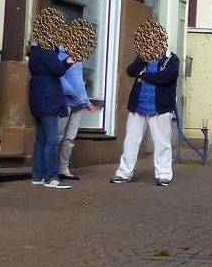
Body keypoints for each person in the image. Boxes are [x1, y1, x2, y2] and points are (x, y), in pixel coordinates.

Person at [112, 20, 179, 186]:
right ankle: (124, 173)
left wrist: (145, 76)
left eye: (154, 39)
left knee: (162, 142)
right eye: (148, 39)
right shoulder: (142, 57)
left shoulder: (171, 59)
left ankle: (163, 174)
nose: (151, 42)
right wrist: (142, 61)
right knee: (131, 141)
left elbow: (167, 77)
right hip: (138, 106)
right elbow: (130, 71)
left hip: (160, 108)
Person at [26, 8, 76, 189]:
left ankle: (38, 175)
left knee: (41, 139)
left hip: (38, 96)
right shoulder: (46, 50)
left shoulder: (36, 50)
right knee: (52, 138)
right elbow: (58, 70)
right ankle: (51, 176)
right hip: (47, 97)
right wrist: (67, 62)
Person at [54, 18, 97, 181]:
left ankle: (63, 168)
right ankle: (50, 168)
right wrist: (73, 93)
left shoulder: (79, 56)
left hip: (78, 103)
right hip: (65, 101)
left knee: (70, 138)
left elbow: (80, 81)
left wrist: (86, 101)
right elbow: (60, 78)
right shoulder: (60, 53)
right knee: (58, 136)